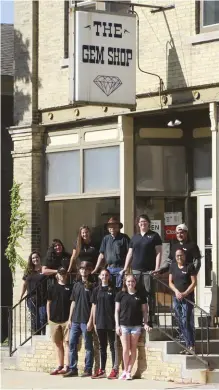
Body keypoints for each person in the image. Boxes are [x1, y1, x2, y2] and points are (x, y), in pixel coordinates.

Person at [121, 214, 162, 326]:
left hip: (149, 270)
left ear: (148, 223)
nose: (142, 223)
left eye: (144, 221)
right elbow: (130, 253)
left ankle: (151, 319)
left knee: (149, 294)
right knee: (136, 293)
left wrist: (157, 268)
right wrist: (125, 268)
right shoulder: (135, 237)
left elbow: (158, 252)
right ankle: (138, 317)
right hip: (136, 270)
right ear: (138, 224)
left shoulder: (154, 236)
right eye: (140, 222)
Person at [115, 274, 151, 380]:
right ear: (125, 282)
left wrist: (146, 323)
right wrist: (117, 325)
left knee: (133, 349)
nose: (130, 283)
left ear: (135, 283)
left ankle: (129, 371)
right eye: (128, 281)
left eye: (132, 281)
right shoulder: (120, 294)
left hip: (136, 326)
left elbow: (145, 310)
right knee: (125, 349)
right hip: (123, 325)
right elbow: (117, 311)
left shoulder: (140, 295)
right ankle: (125, 371)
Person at [63, 261, 95, 378]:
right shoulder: (76, 285)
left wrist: (91, 320)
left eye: (86, 269)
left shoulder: (93, 285)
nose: (84, 271)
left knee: (88, 346)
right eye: (82, 269)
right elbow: (73, 302)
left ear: (89, 270)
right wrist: (69, 319)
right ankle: (73, 368)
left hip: (86, 321)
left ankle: (88, 369)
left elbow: (94, 305)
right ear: (79, 270)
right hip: (75, 320)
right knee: (71, 344)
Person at [91, 268, 118, 379]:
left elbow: (117, 308)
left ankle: (114, 369)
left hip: (111, 322)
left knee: (113, 347)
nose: (104, 277)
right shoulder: (96, 290)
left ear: (109, 277)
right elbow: (94, 306)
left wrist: (117, 323)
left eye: (106, 275)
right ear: (100, 277)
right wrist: (93, 321)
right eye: (102, 275)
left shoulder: (114, 290)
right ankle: (102, 370)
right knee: (102, 347)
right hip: (100, 322)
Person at [169, 248, 197, 354]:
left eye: (181, 255)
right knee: (180, 321)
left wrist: (185, 293)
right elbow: (170, 282)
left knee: (186, 321)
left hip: (187, 298)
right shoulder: (173, 266)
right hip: (176, 297)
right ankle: (186, 345)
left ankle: (191, 345)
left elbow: (194, 283)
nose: (179, 257)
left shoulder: (189, 266)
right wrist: (176, 291)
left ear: (184, 256)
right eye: (177, 256)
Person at [47, 266, 72, 375]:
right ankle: (59, 365)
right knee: (58, 343)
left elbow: (72, 304)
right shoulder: (52, 287)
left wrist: (71, 319)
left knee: (67, 343)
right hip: (54, 320)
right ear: (57, 275)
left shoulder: (70, 287)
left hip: (66, 320)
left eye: (64, 274)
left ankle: (67, 365)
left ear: (66, 275)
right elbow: (48, 303)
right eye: (60, 274)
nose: (62, 276)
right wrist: (48, 318)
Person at [92, 217, 130, 288]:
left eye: (115, 226)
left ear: (118, 227)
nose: (112, 228)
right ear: (108, 228)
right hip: (109, 269)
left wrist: (126, 269)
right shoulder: (106, 239)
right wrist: (96, 268)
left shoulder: (124, 238)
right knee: (109, 288)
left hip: (120, 268)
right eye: (110, 226)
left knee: (119, 289)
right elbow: (101, 255)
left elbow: (130, 254)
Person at [20, 251, 47, 335]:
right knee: (35, 318)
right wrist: (21, 297)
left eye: (36, 257)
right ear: (31, 260)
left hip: (42, 298)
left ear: (40, 258)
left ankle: (43, 334)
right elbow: (24, 285)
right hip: (31, 299)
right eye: (33, 258)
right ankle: (37, 335)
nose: (35, 259)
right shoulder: (28, 271)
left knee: (43, 317)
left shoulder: (44, 269)